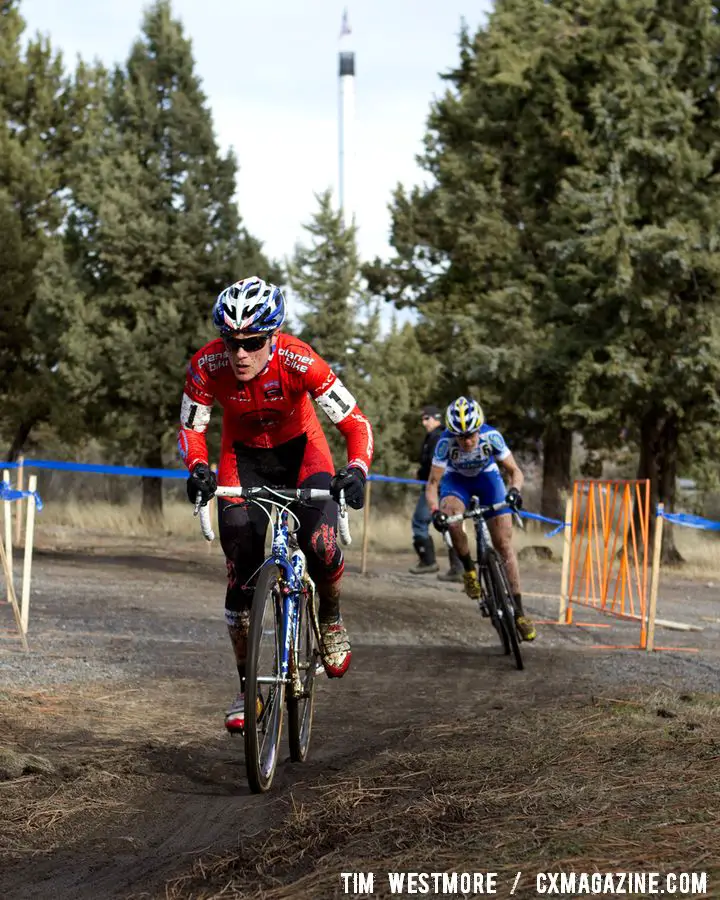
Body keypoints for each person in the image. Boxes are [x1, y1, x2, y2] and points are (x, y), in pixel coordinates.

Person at [178, 276, 374, 733]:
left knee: (322, 545)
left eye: (252, 342)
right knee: (241, 565)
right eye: (232, 342)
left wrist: (358, 470)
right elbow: (192, 428)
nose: (240, 353)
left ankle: (329, 616)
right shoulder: (207, 364)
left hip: (302, 453)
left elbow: (356, 423)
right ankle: (247, 688)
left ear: (273, 336)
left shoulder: (299, 359)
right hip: (241, 460)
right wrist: (198, 469)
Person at [425, 396, 536, 641]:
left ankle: (519, 612)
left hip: (488, 479)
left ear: (479, 428)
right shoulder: (445, 444)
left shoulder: (491, 437)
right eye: (461, 436)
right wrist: (436, 512)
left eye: (471, 434)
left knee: (504, 544)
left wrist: (515, 492)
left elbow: (514, 471)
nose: (467, 441)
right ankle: (468, 570)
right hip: (457, 482)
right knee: (452, 518)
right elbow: (432, 484)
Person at [409, 405, 443, 574]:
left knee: (419, 522)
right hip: (437, 485)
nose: (423, 422)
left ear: (436, 418)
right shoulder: (435, 436)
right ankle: (459, 568)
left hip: (434, 486)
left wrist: (422, 473)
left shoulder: (437, 437)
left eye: (426, 418)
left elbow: (433, 464)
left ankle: (428, 562)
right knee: (448, 525)